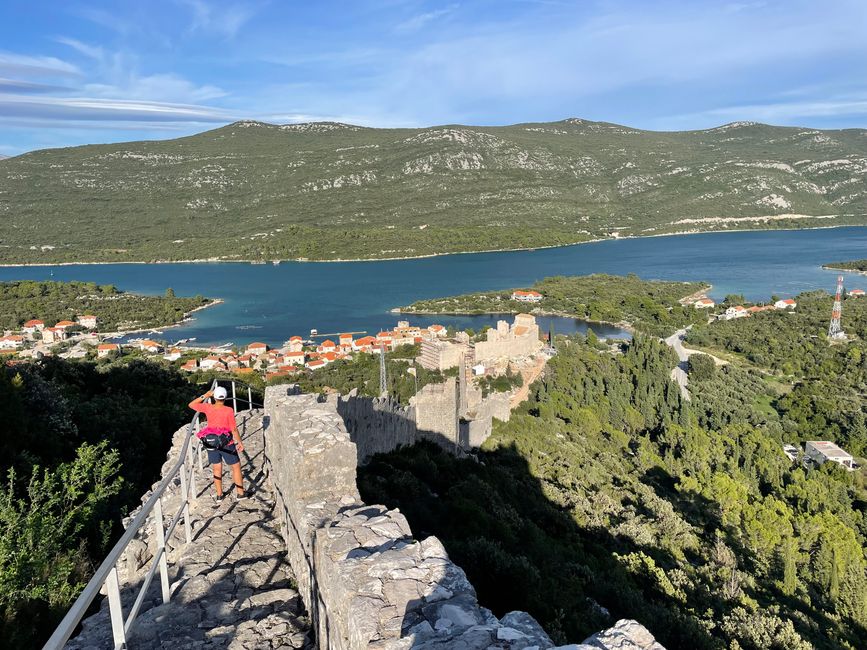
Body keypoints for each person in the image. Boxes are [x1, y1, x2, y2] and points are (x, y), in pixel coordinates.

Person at [188, 386, 246, 501]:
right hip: (226, 442)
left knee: (216, 468)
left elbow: (191, 404)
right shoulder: (228, 410)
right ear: (225, 397)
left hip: (212, 442)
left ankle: (219, 495)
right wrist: (239, 442)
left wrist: (205, 395)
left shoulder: (208, 407)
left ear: (214, 397)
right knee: (236, 466)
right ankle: (240, 493)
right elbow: (233, 429)